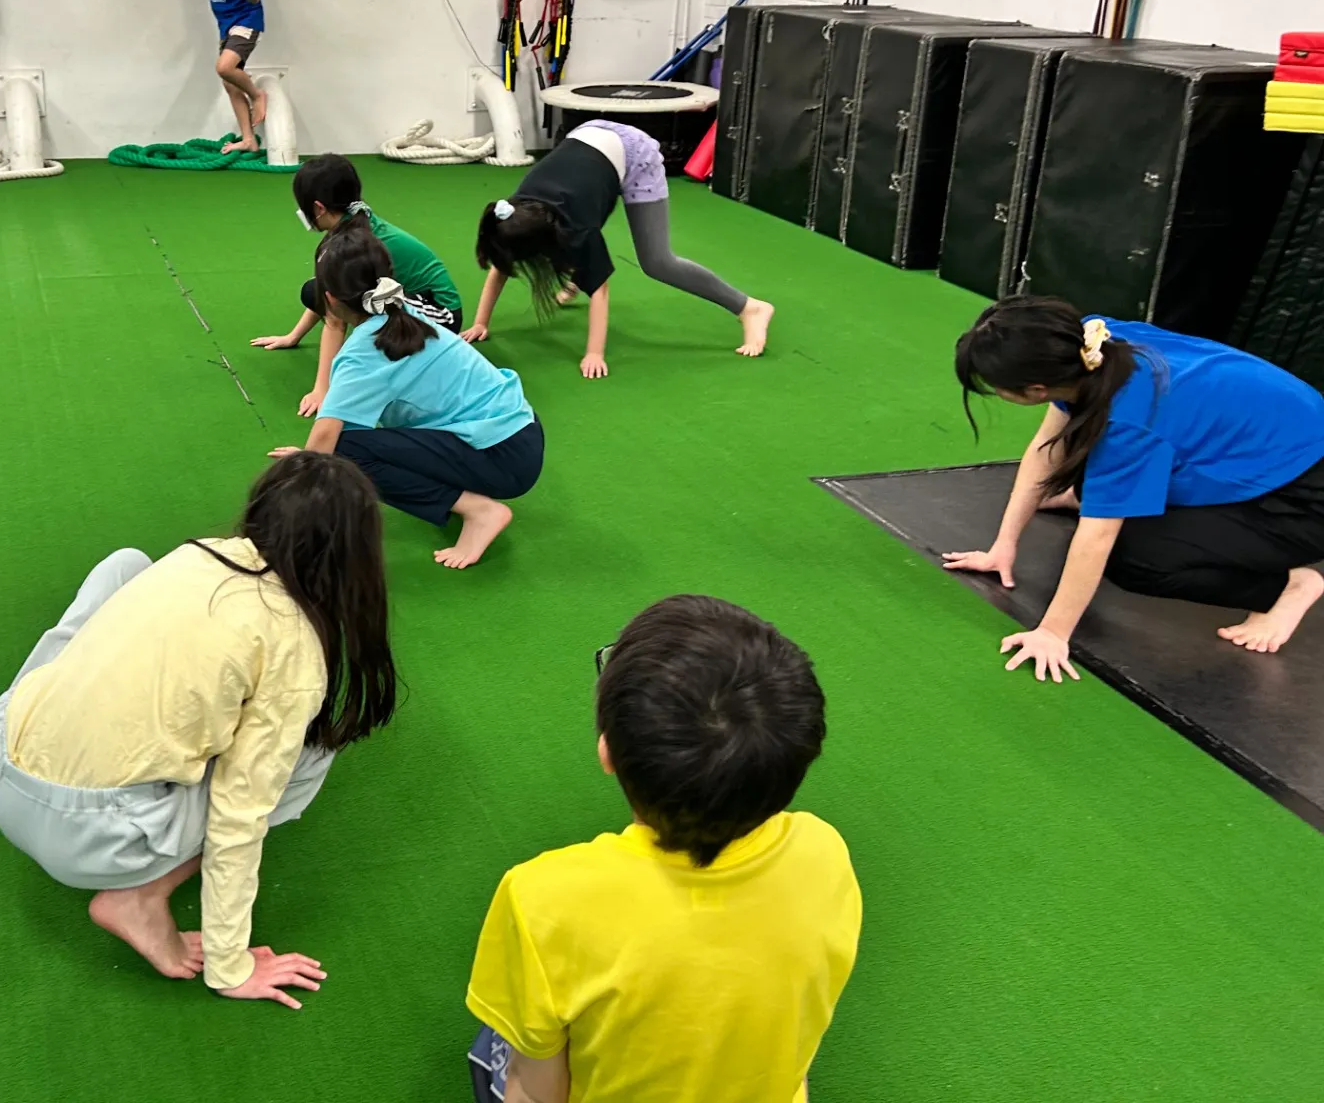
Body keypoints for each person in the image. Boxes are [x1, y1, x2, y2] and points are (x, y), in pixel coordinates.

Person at [0, 451, 396, 1008]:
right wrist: (230, 966)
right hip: (86, 839)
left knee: (125, 566)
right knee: (313, 752)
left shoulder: (201, 552)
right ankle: (140, 897)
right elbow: (238, 818)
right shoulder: (297, 651)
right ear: (357, 554)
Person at [465, 595, 859, 1103]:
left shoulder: (542, 896)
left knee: (497, 1047)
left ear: (607, 752)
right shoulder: (824, 849)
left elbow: (539, 1092)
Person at [945, 296, 1324, 678]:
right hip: (1274, 445)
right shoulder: (1089, 346)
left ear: (1037, 389)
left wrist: (1053, 632)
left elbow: (1097, 539)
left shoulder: (1127, 421)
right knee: (1086, 458)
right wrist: (1003, 546)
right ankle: (1094, 496)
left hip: (1306, 499)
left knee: (1136, 558)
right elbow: (1048, 449)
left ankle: (1288, 587)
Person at [270, 226, 542, 568]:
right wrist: (313, 454)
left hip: (503, 457)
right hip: (521, 431)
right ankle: (472, 494)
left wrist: (303, 478)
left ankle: (480, 511)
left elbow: (329, 439)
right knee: (340, 446)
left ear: (330, 300)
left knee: (343, 452)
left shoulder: (363, 353)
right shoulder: (403, 310)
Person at [466, 121, 774, 376]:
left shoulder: (575, 230)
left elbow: (600, 291)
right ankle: (576, 274)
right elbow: (500, 266)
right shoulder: (516, 214)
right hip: (587, 148)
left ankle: (750, 307)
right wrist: (481, 322)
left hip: (632, 154)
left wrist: (594, 353)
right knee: (581, 226)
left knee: (658, 262)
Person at [252, 153, 465, 417]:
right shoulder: (352, 218)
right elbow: (325, 294)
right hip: (413, 299)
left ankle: (417, 359)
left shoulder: (356, 237)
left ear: (318, 208)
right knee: (314, 290)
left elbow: (335, 317)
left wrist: (323, 389)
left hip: (441, 315)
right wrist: (292, 337)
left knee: (348, 300)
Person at [163, 0, 267, 154]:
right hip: (226, 25)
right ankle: (248, 139)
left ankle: (257, 95)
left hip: (247, 20)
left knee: (224, 68)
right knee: (230, 83)